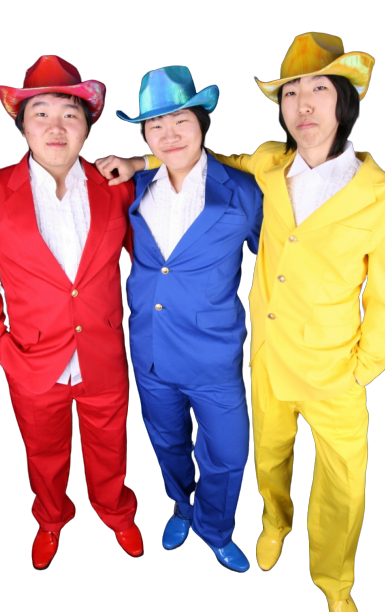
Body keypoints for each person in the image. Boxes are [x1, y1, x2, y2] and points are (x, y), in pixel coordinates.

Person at [96, 34, 383, 610]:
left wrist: (366, 365)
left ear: (345, 101)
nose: (303, 104)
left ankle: (307, 571)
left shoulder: (272, 190)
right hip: (184, 355)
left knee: (251, 462)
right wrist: (141, 161)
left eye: (319, 89)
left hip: (278, 362)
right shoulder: (252, 169)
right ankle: (216, 513)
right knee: (198, 449)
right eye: (291, 92)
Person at [0, 55, 143, 571]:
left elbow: (143, 266)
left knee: (111, 447)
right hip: (30, 361)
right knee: (43, 455)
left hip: (104, 354)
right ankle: (51, 519)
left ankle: (116, 512)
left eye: (70, 114)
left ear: (87, 128)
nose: (56, 127)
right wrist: (2, 349)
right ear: (22, 126)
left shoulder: (116, 185)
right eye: (41, 113)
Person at [97, 66, 263, 572]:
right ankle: (184, 507)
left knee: (228, 454)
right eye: (155, 125)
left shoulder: (245, 191)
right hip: (150, 352)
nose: (168, 135)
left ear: (201, 125)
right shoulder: (134, 184)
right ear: (145, 135)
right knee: (168, 443)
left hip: (216, 357)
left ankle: (216, 528)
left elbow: (275, 263)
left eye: (180, 122)